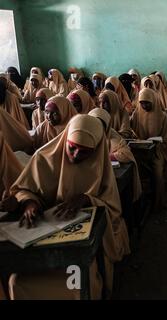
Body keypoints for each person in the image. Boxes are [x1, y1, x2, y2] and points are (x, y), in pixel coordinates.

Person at [8, 114, 130, 299]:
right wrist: (29, 202)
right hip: (41, 238)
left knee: (81, 280)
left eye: (85, 152)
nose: (75, 156)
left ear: (96, 150)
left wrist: (87, 199)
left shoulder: (100, 166)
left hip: (80, 242)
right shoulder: (43, 158)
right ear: (65, 139)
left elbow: (113, 209)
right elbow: (24, 189)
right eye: (72, 148)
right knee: (17, 282)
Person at [88, 108, 142, 203]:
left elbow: (125, 154)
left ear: (107, 127)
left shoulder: (111, 135)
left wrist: (107, 157)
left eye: (101, 126)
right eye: (94, 125)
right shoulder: (86, 135)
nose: (97, 129)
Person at [131, 88, 167, 213]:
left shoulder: (162, 116)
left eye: (147, 103)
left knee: (157, 174)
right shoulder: (137, 114)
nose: (144, 106)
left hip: (156, 150)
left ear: (154, 101)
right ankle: (140, 205)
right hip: (139, 150)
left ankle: (158, 202)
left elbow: (166, 139)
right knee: (135, 172)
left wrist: (154, 142)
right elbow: (130, 130)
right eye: (142, 103)